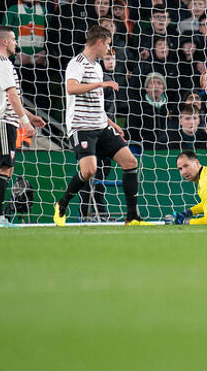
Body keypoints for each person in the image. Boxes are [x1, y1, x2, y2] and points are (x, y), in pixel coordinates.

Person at [53, 25, 152, 226]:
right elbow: (71, 88)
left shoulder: (98, 67)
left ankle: (132, 217)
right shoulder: (77, 64)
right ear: (99, 42)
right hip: (82, 128)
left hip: (101, 125)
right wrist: (100, 84)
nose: (108, 49)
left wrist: (112, 124)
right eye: (107, 44)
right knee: (89, 171)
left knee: (130, 162)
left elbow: (97, 105)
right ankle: (62, 204)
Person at [0, 27, 45, 228]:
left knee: (6, 170)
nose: (16, 43)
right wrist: (26, 123)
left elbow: (11, 99)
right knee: (3, 168)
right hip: (1, 121)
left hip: (3, 120)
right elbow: (12, 96)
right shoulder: (1, 64)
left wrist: (31, 116)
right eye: (13, 39)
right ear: (4, 42)